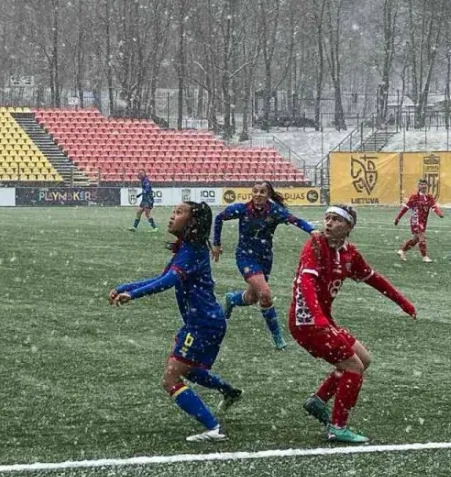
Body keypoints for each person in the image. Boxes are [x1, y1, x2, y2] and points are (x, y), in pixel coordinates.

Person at [109, 201, 242, 442]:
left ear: (192, 222)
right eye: (173, 212)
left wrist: (133, 295)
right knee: (190, 370)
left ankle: (214, 428)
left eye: (178, 213)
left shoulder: (191, 251)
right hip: (208, 321)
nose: (171, 217)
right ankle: (229, 391)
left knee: (170, 378)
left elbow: (168, 281)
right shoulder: (188, 248)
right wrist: (125, 287)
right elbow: (162, 277)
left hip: (202, 324)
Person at [290, 205, 416, 444]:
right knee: (353, 367)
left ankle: (318, 400)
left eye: (336, 219)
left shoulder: (349, 254)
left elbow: (375, 279)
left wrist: (403, 303)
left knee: (364, 360)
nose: (328, 223)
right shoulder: (316, 244)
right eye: (327, 218)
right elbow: (306, 283)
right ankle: (337, 427)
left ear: (349, 227)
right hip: (306, 322)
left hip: (323, 320)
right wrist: (318, 317)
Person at [212, 181, 316, 350]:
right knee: (265, 294)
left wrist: (311, 230)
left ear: (268, 195)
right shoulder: (242, 209)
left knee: (252, 298)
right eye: (255, 191)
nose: (258, 195)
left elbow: (295, 220)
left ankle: (232, 299)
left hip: (265, 258)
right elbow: (219, 217)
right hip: (245, 257)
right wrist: (216, 243)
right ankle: (278, 338)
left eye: (262, 192)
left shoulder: (275, 211)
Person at [394, 179, 444, 263]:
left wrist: (439, 213)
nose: (423, 186)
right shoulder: (414, 197)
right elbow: (406, 208)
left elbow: (434, 207)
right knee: (421, 236)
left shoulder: (429, 197)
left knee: (415, 240)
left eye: (425, 184)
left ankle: (402, 251)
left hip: (423, 221)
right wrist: (398, 218)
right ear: (418, 186)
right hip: (416, 220)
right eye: (421, 184)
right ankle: (425, 257)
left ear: (427, 186)